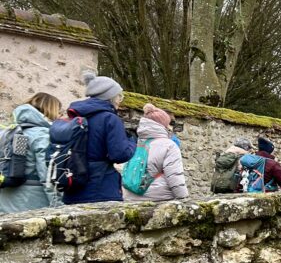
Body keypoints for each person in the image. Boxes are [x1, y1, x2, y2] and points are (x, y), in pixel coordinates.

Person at [61, 71, 136, 205]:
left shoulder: (75, 116)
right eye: (119, 96)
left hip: (73, 183)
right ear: (110, 97)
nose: (119, 100)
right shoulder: (110, 119)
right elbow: (120, 154)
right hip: (101, 187)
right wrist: (131, 142)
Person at [0, 92, 62, 214]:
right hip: (32, 203)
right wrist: (59, 207)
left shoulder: (7, 133)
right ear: (50, 110)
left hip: (4, 202)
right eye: (59, 111)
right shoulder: (42, 135)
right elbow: (48, 176)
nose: (60, 116)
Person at [121, 104, 188, 202]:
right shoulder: (169, 145)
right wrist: (183, 198)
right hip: (157, 198)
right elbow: (175, 176)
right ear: (163, 125)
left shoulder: (138, 141)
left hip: (129, 196)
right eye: (169, 124)